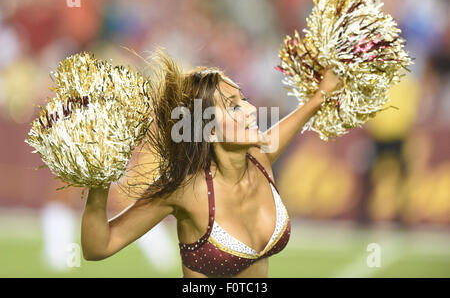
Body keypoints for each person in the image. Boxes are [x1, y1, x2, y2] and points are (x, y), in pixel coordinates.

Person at [81, 50, 341, 278]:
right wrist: (99, 177)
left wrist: (324, 91)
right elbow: (98, 247)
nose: (251, 110)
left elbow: (311, 106)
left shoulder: (260, 158)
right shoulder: (186, 189)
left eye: (244, 99)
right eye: (235, 107)